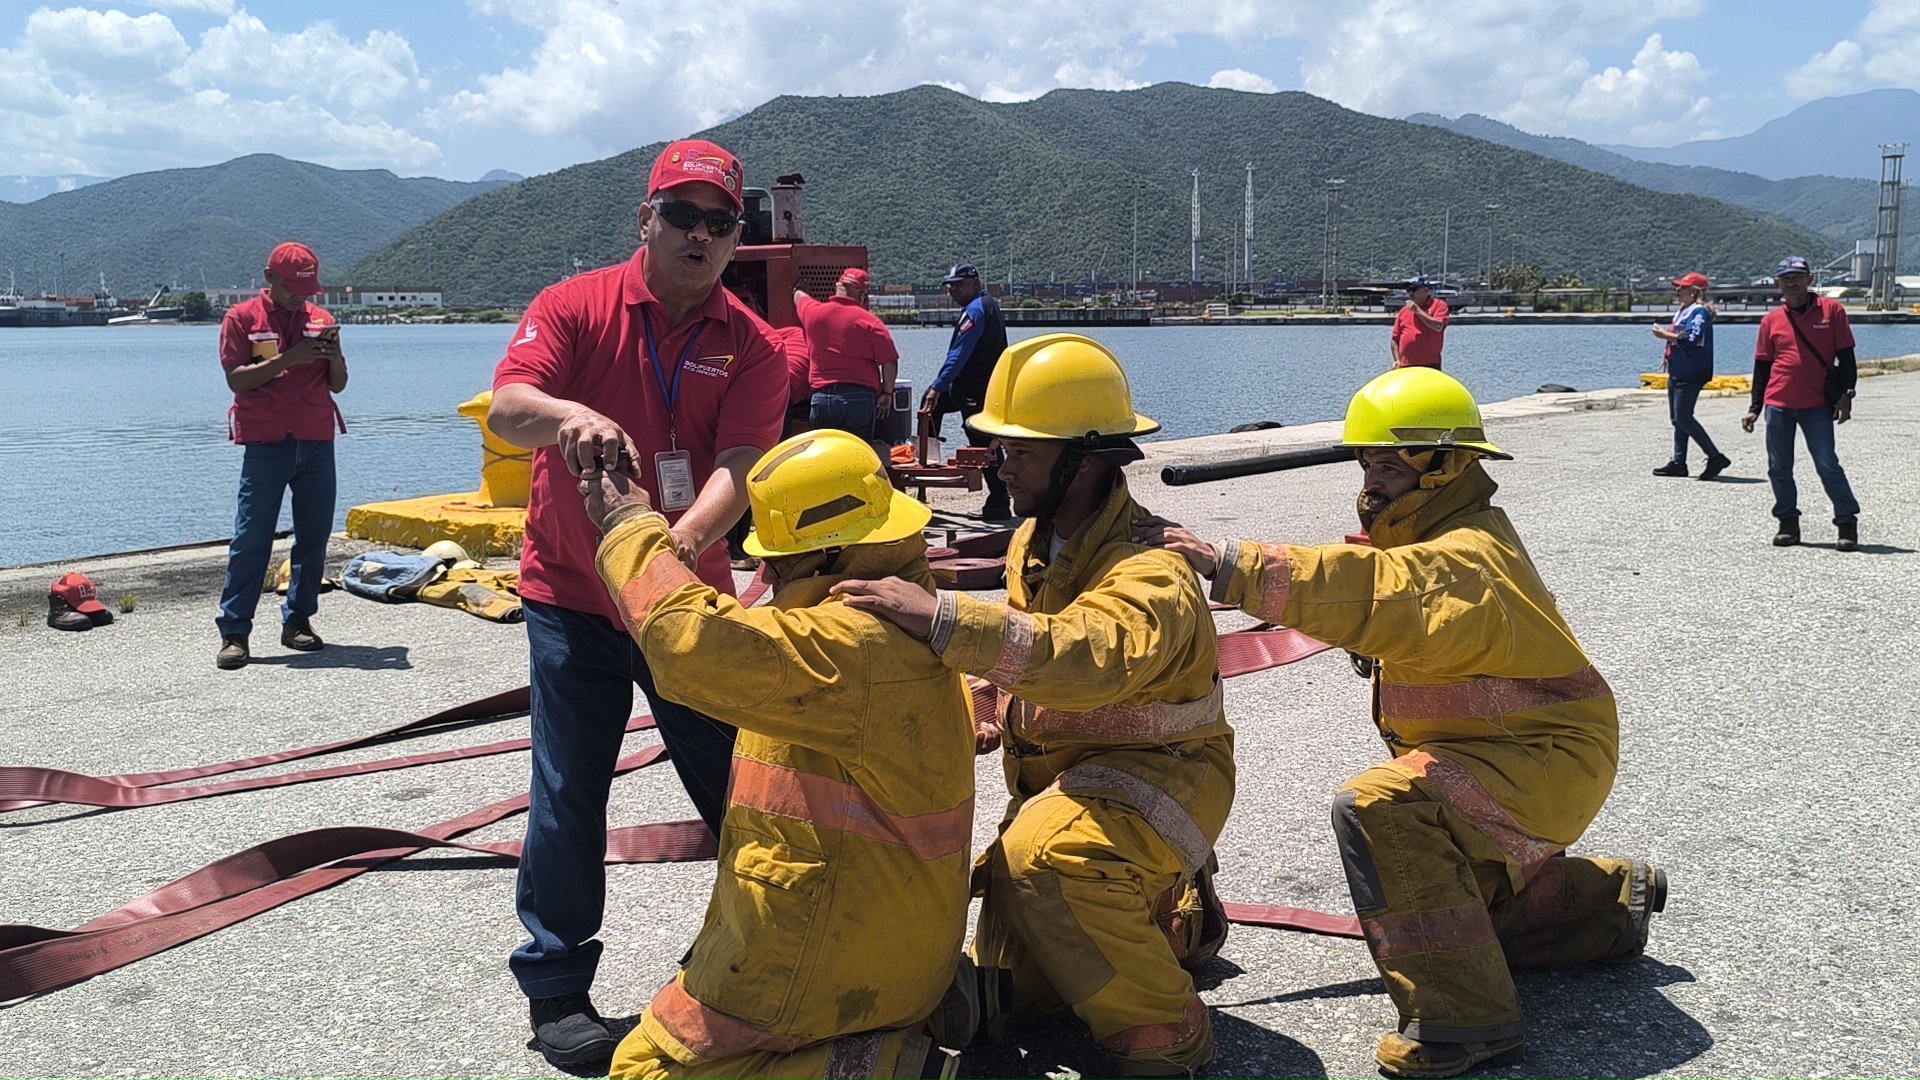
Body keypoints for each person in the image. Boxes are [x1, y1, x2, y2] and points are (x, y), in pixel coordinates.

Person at [1134, 367, 1664, 1080]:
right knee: (1449, 891)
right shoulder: (1439, 534)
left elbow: (1384, 592)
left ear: (1442, 467)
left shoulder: (1465, 555)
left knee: (1383, 807)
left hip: (1542, 760)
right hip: (1514, 751)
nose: (1370, 481)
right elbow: (1384, 589)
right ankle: (1608, 903)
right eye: (1364, 463)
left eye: (1388, 464)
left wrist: (1224, 560)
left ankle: (1466, 1021)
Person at [838, 335, 1234, 1076]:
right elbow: (1031, 652)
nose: (997, 462)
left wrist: (942, 618)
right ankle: (1180, 919)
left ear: (1083, 462)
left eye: (1020, 451)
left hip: (1166, 781)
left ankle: (1167, 1036)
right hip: (1074, 786)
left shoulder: (1154, 573)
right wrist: (985, 697)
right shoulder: (1036, 541)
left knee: (1044, 863)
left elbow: (1088, 655)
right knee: (1020, 961)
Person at [486, 138, 789, 1068]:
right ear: (646, 220)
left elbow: (740, 471)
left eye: (720, 222)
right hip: (572, 596)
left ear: (737, 237)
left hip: (685, 606)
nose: (700, 235)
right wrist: (569, 416)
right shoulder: (572, 306)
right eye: (683, 215)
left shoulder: (755, 344)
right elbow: (508, 405)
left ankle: (762, 954)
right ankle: (557, 988)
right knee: (568, 791)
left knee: (742, 786)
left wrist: (675, 551)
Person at [580, 429, 973, 1080]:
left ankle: (888, 1066)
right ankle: (914, 1017)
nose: (769, 574)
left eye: (782, 561)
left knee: (643, 1068)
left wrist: (628, 522)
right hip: (896, 937)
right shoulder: (909, 609)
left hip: (836, 959)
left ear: (832, 552)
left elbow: (685, 644)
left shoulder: (849, 646)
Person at [214, 241, 347, 670]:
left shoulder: (321, 319)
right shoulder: (242, 318)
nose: (301, 297)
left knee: (314, 537)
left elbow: (339, 384)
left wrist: (332, 355)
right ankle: (235, 632)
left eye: (307, 289)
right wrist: (292, 358)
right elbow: (237, 380)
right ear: (269, 278)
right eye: (293, 288)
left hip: (316, 442)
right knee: (251, 539)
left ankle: (298, 622)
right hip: (266, 446)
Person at [1743, 256, 1860, 550]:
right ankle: (1788, 523)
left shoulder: (1832, 311)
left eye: (1797, 277)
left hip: (1817, 404)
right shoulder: (1771, 321)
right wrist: (1755, 407)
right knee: (1778, 467)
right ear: (1777, 283)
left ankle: (1846, 522)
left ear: (1809, 280)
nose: (1791, 282)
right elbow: (1762, 368)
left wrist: (1847, 393)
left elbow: (1846, 357)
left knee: (1827, 464)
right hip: (1778, 403)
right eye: (1785, 278)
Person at [920, 263, 1012, 519]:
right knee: (930, 409)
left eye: (959, 285)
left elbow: (959, 353)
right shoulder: (988, 305)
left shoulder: (975, 311)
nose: (953, 291)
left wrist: (938, 386)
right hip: (976, 386)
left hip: (975, 388)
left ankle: (999, 503)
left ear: (976, 283)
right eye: (950, 286)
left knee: (983, 445)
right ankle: (927, 471)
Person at [794, 267, 898, 442]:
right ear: (863, 294)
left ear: (838, 287)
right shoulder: (870, 322)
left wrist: (800, 287)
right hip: (858, 400)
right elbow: (890, 362)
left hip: (822, 400)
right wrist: (887, 392)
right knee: (856, 456)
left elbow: (800, 298)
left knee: (825, 457)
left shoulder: (814, 313)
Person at [1651, 273, 1730, 479]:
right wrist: (1668, 355)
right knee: (1677, 419)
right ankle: (1679, 462)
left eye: (1682, 288)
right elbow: (1678, 339)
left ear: (1694, 292)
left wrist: (1664, 336)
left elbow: (1691, 339)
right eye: (1677, 288)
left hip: (1692, 371)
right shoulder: (1683, 311)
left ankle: (1715, 456)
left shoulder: (1699, 312)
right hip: (1678, 370)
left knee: (1684, 418)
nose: (1677, 292)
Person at [1390, 274, 1449, 369]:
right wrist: (1397, 360)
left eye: (1414, 289)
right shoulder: (1404, 311)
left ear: (1426, 290)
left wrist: (1417, 311)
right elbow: (1395, 339)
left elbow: (1438, 326)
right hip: (1406, 365)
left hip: (1430, 366)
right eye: (1408, 290)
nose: (1410, 293)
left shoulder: (1438, 306)